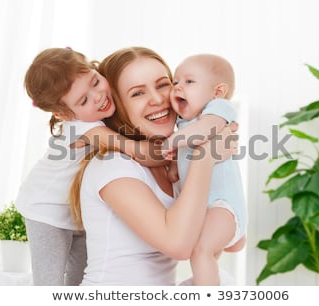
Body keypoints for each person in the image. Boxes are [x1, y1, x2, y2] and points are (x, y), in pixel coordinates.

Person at [68, 46, 239, 285]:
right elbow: (178, 245)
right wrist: (206, 157)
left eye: (162, 84)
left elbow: (234, 242)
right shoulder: (113, 167)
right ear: (119, 107)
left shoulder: (172, 161)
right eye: (137, 93)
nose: (158, 99)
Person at [16, 47, 152, 285]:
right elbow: (138, 152)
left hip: (76, 212)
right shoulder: (84, 128)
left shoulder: (95, 116)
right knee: (49, 282)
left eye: (95, 82)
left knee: (81, 277)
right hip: (45, 209)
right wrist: (187, 142)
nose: (98, 95)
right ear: (64, 114)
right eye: (84, 100)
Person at [162, 54, 247, 285]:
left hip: (223, 205)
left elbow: (205, 130)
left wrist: (173, 141)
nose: (178, 86)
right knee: (204, 257)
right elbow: (183, 165)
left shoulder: (217, 109)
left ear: (217, 91)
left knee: (201, 252)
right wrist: (172, 167)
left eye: (189, 81)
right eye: (175, 81)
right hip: (206, 210)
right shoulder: (183, 124)